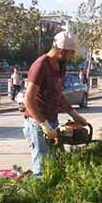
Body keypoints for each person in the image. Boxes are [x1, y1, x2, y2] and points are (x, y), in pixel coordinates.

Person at [23, 31, 88, 177]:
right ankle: (40, 196)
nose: (72, 57)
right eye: (71, 53)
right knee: (42, 167)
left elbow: (58, 95)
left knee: (58, 163)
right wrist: (44, 125)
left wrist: (74, 114)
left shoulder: (60, 65)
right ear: (61, 51)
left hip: (52, 121)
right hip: (37, 123)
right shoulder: (40, 66)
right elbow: (28, 101)